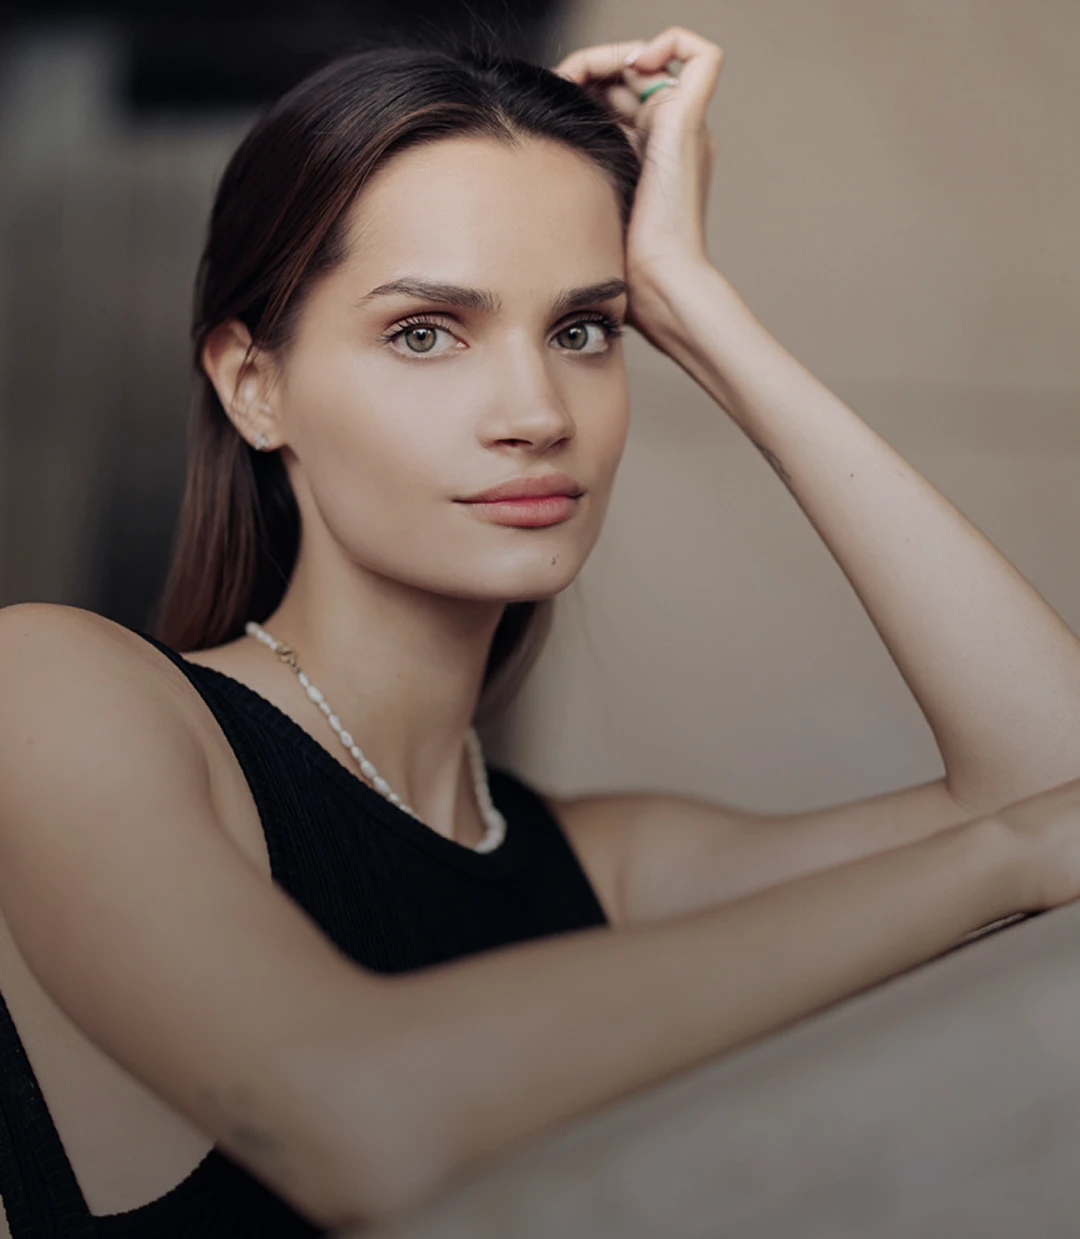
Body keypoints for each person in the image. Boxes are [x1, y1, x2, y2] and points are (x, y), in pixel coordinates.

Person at [1, 23, 1080, 1238]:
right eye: (425, 332)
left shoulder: (608, 871)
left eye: (584, 332)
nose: (536, 412)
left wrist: (701, 311)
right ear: (255, 385)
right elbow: (360, 1120)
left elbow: (1057, 787)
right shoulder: (58, 686)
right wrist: (1003, 863)